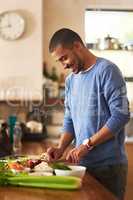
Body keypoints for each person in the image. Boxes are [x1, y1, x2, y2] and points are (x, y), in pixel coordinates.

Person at [46, 28, 130, 200]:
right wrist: (61, 147)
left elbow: (121, 115)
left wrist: (87, 144)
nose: (64, 65)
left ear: (77, 46)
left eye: (65, 58)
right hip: (81, 166)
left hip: (108, 167)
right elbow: (70, 118)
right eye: (59, 61)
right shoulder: (71, 80)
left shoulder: (107, 71)